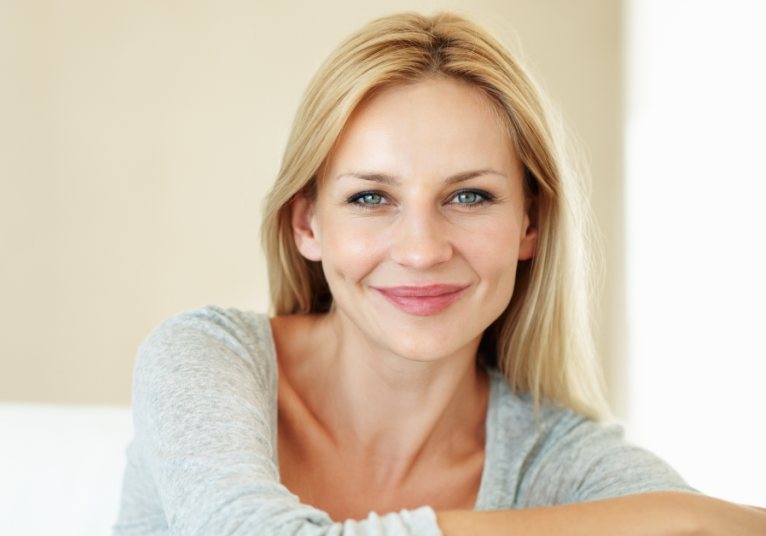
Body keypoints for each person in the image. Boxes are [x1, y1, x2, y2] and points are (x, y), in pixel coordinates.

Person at [113, 11, 766, 536]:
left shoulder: (555, 458)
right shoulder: (203, 362)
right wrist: (684, 518)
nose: (422, 250)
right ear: (307, 225)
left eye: (469, 196)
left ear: (530, 225)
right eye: (371, 197)